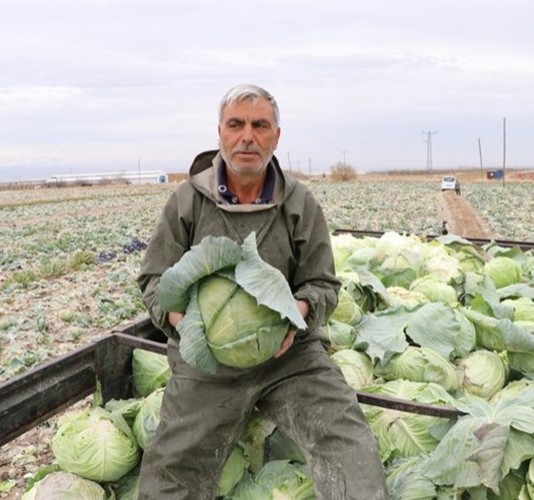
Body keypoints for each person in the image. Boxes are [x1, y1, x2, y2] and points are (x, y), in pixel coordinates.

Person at [137, 84, 388, 499]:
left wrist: (298, 311)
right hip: (209, 363)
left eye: (260, 125)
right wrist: (192, 328)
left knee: (346, 440)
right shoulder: (187, 202)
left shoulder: (299, 203)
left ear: (276, 135)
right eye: (236, 125)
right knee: (174, 466)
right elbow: (153, 281)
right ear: (220, 133)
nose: (247, 136)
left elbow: (323, 283)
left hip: (290, 355)